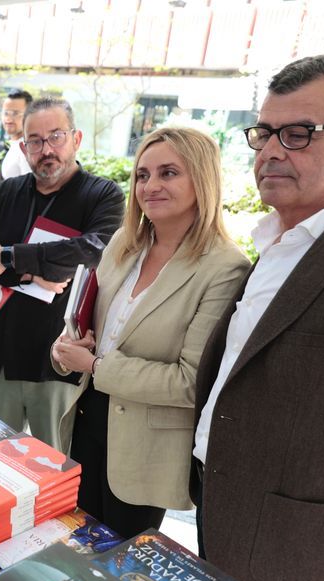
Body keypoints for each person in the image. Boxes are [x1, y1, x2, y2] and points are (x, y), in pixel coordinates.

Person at [192, 54, 324, 581]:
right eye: (264, 132)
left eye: (299, 134)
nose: (270, 151)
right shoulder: (281, 237)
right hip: (220, 500)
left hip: (290, 537)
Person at [51, 127, 250, 539]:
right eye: (142, 175)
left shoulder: (225, 267)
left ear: (202, 179)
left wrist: (96, 365)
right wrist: (67, 347)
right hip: (89, 420)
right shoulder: (126, 242)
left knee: (122, 574)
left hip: (146, 451)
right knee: (79, 551)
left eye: (168, 173)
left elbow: (190, 382)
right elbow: (92, 329)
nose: (151, 186)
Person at [0, 97, 125, 451]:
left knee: (52, 468)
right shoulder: (8, 191)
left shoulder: (102, 195)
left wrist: (7, 254)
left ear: (76, 139)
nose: (45, 149)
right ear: (23, 147)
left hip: (56, 358)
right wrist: (31, 275)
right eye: (35, 140)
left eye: (56, 137)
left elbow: (92, 251)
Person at [0, 89, 34, 180]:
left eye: (15, 113)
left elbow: (30, 191)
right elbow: (8, 187)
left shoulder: (28, 149)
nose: (8, 119)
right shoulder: (16, 145)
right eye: (5, 113)